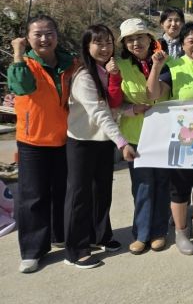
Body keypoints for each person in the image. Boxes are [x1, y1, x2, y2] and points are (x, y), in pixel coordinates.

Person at [9, 14, 79, 273]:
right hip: (33, 140)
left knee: (62, 192)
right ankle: (32, 251)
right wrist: (18, 54)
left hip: (64, 137)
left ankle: (59, 235)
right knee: (33, 197)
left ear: (57, 35)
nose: (44, 39)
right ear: (27, 38)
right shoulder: (23, 63)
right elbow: (21, 87)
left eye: (49, 33)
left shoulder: (69, 62)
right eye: (37, 34)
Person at [64, 24, 137, 269]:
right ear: (87, 46)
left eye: (108, 43)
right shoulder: (84, 76)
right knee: (79, 195)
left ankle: (100, 235)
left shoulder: (106, 71)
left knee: (102, 191)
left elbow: (113, 105)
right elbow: (99, 113)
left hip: (103, 141)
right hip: (82, 142)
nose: (105, 48)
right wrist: (122, 142)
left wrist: (132, 109)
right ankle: (75, 250)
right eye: (98, 43)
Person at [147, 21, 193, 255]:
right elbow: (153, 94)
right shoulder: (174, 67)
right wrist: (156, 67)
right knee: (179, 186)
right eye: (190, 41)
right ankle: (181, 231)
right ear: (182, 45)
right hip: (181, 137)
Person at [108, 18, 170, 255]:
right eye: (130, 39)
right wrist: (130, 109)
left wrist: (156, 66)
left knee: (162, 184)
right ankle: (141, 234)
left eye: (140, 37)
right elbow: (113, 102)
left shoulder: (166, 63)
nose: (136, 43)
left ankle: (159, 232)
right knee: (142, 186)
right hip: (136, 135)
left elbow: (155, 95)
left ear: (150, 39)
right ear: (124, 44)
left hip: (163, 134)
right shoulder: (118, 66)